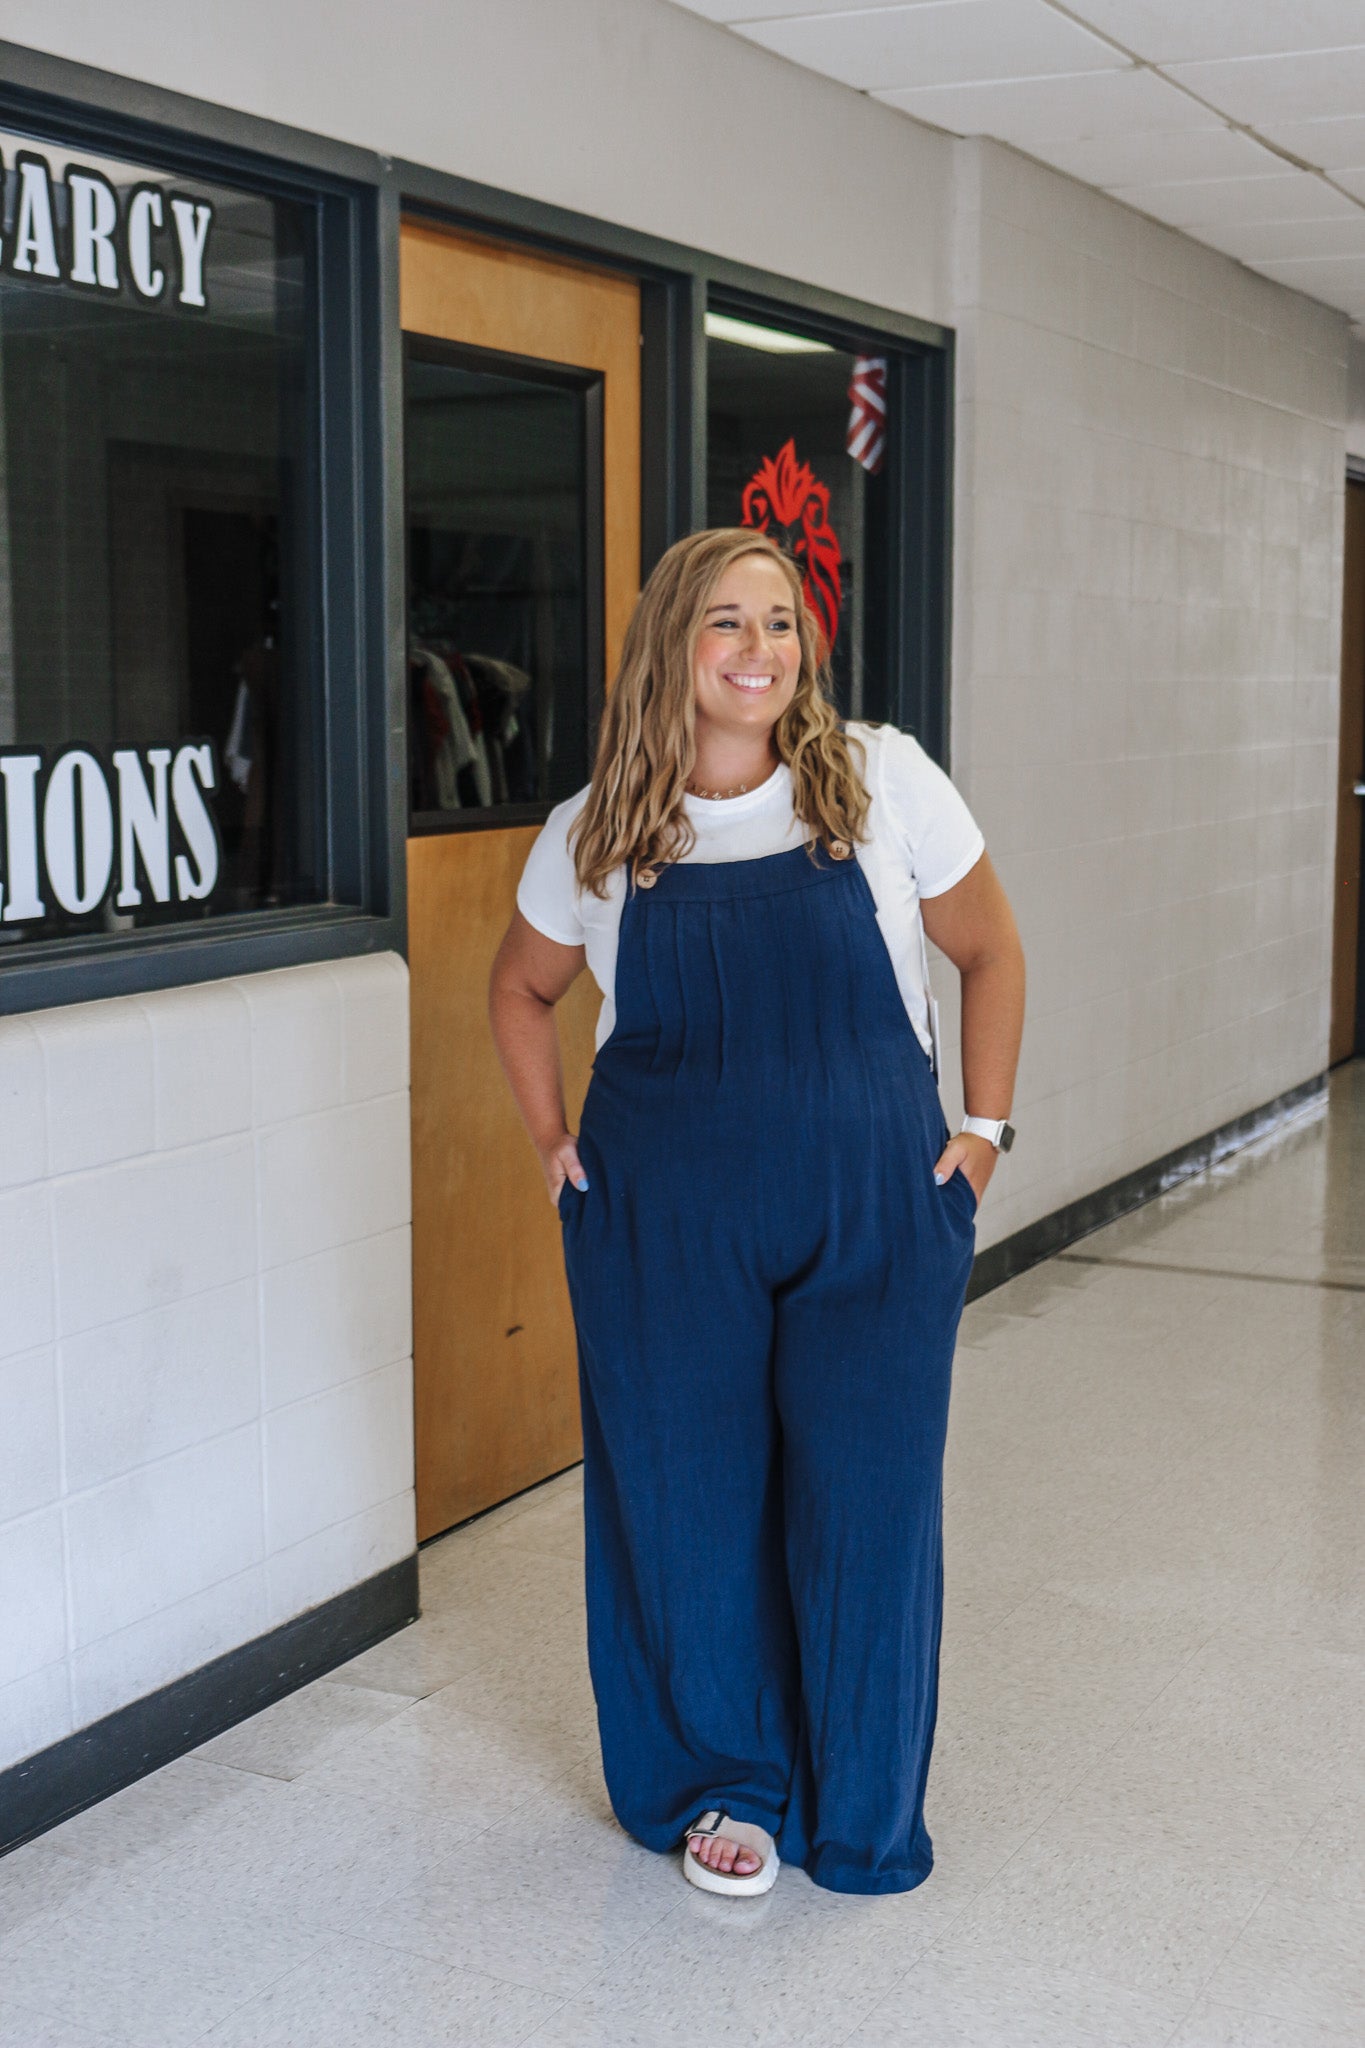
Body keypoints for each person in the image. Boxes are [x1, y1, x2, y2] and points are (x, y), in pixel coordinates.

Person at [488, 526, 1025, 1897]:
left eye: (779, 622)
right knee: (687, 1505)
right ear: (671, 643)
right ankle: (725, 1786)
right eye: (725, 622)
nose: (758, 650)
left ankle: (858, 1807)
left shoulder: (880, 781)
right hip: (663, 1227)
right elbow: (521, 990)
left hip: (875, 1213)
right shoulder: (598, 828)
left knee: (867, 1507)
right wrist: (553, 1137)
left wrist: (980, 1130)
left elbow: (988, 948)